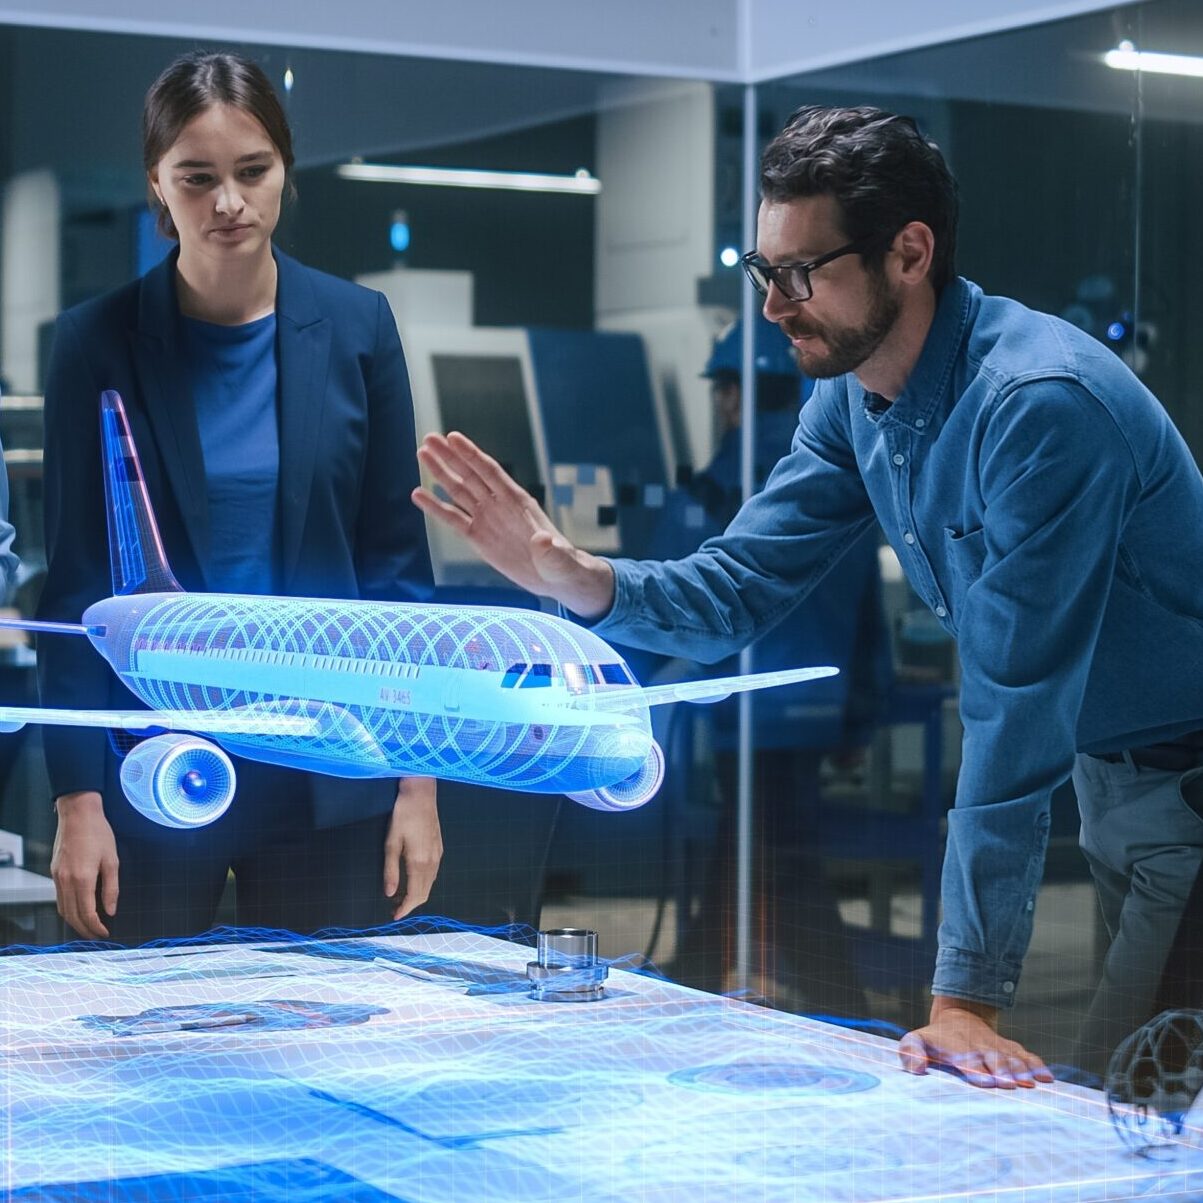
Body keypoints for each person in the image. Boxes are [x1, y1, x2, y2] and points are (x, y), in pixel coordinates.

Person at [413, 105, 1203, 1088]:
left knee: (1139, 1099)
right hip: (1119, 783)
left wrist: (965, 1002)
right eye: (763, 271)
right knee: (1147, 1103)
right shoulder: (853, 400)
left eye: (802, 273)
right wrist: (577, 576)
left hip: (1183, 778)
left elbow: (1014, 707)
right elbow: (742, 586)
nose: (775, 305)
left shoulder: (1037, 406)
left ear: (909, 253)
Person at [38, 52, 441, 945]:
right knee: (141, 1050)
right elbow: (71, 586)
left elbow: (395, 575)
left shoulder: (357, 328)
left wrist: (418, 782)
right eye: (198, 178)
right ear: (158, 184)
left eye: (252, 172)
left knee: (320, 1047)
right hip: (153, 767)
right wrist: (77, 801)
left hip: (326, 772)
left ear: (284, 171)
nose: (229, 202)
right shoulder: (94, 342)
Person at [649, 315, 890, 1016]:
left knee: (779, 860)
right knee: (759, 845)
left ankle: (847, 1013)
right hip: (813, 708)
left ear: (731, 395)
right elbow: (871, 610)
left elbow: (669, 593)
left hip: (742, 711)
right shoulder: (836, 477)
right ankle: (695, 972)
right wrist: (862, 709)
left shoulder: (719, 486)